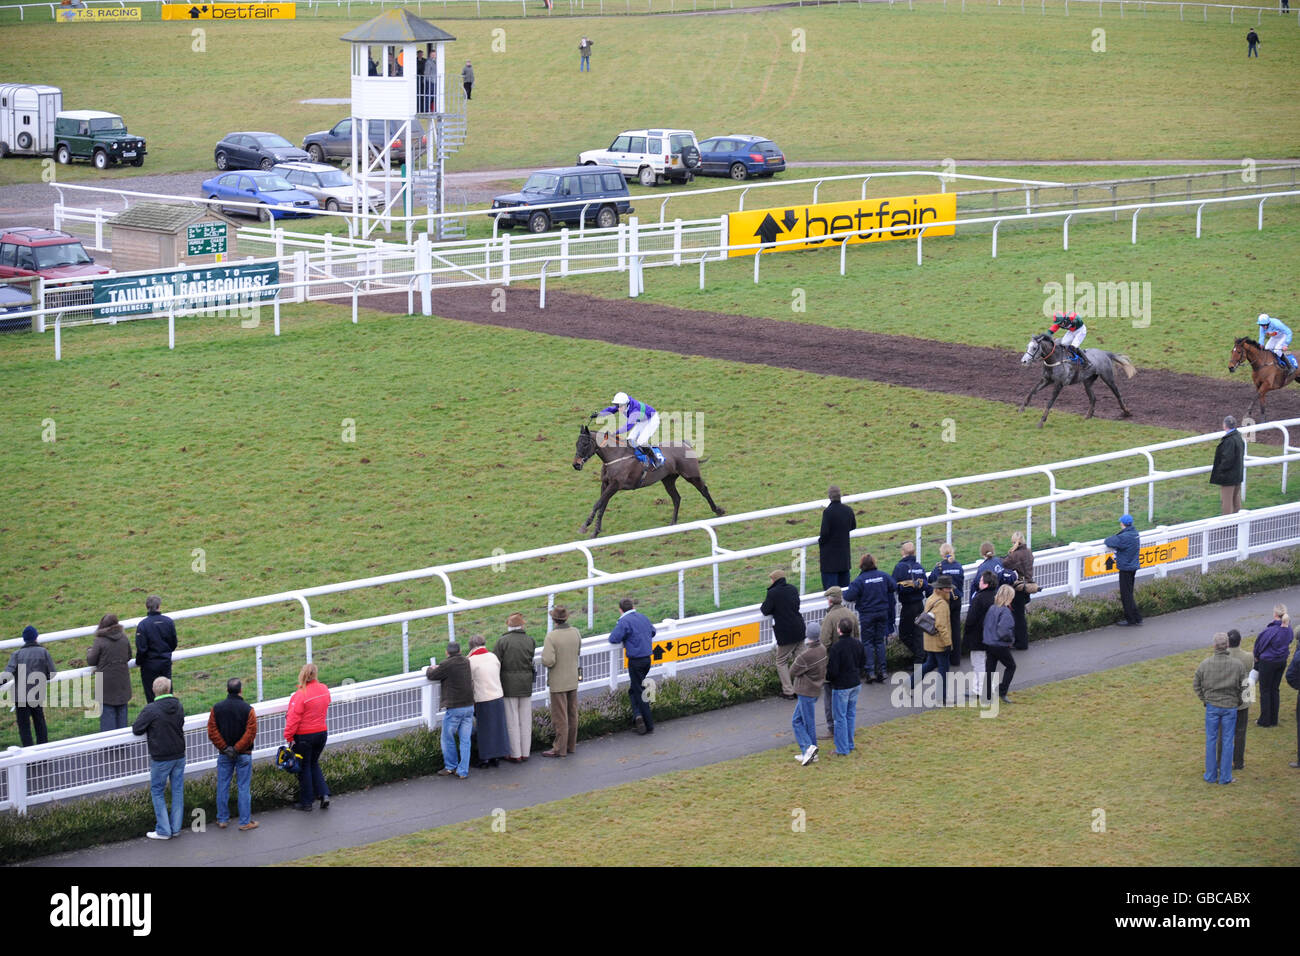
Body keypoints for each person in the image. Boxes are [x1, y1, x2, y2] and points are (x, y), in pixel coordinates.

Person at [132, 676, 185, 840]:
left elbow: (137, 729)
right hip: (179, 755)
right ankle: (175, 828)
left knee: (157, 791)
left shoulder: (151, 709)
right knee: (177, 791)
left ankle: (163, 830)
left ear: (154, 691)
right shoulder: (178, 705)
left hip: (161, 758)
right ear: (168, 689)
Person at [1194, 633, 1247, 784]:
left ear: (1214, 646)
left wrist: (1204, 699)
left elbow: (1196, 684)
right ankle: (1225, 777)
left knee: (1211, 740)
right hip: (1230, 707)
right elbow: (1246, 688)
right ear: (1228, 645)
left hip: (1212, 707)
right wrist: (1238, 701)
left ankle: (1210, 775)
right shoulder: (1238, 665)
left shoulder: (1205, 664)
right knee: (1228, 741)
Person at [207, 678, 258, 831]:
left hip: (224, 755)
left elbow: (212, 731)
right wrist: (236, 749)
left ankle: (222, 819)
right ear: (241, 690)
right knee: (243, 788)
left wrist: (225, 748)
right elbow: (250, 733)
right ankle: (244, 822)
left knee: (222, 786)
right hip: (243, 754)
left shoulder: (216, 709)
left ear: (227, 690)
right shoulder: (248, 710)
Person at [284, 662, 331, 810]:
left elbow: (292, 718)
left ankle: (307, 803)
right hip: (321, 733)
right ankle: (324, 795)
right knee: (313, 763)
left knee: (304, 767)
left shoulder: (300, 695)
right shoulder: (324, 689)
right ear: (315, 674)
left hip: (304, 736)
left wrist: (289, 737)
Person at [843, 553, 896, 684]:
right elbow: (893, 586)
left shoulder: (860, 580)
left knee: (867, 643)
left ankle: (870, 672)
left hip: (867, 615)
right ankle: (882, 671)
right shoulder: (883, 576)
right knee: (879, 642)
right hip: (882, 613)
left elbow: (848, 596)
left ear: (861, 565)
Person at [427, 641, 474, 778]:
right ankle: (463, 771)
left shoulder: (447, 664)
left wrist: (431, 668)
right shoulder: (466, 661)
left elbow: (432, 675)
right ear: (459, 651)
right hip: (469, 706)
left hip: (455, 708)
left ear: (447, 653)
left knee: (447, 738)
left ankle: (450, 766)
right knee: (466, 740)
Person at [608, 598, 655, 734]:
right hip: (647, 659)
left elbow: (614, 638)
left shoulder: (624, 621)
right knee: (634, 689)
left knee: (638, 690)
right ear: (633, 606)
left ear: (620, 610)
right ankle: (637, 715)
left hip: (635, 661)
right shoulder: (643, 617)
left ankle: (648, 723)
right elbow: (653, 631)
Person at [3, 625, 56, 746]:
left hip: (20, 695)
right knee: (40, 723)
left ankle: (28, 754)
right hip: (37, 693)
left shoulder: (16, 654)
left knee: (24, 726)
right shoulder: (43, 652)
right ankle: (42, 752)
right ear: (36, 637)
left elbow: (8, 674)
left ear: (24, 639)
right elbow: (52, 673)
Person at [541, 606, 581, 758]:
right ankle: (571, 745)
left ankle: (559, 748)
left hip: (558, 682)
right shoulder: (575, 632)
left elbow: (548, 660)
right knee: (572, 713)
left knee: (560, 717)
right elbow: (578, 651)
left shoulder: (552, 637)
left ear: (554, 619)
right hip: (572, 678)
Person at [496, 612, 536, 763]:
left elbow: (496, 662)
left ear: (509, 626)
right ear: (522, 625)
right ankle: (526, 752)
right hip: (526, 684)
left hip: (508, 685)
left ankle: (515, 754)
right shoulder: (530, 640)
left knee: (512, 720)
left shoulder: (502, 642)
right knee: (525, 720)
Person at [818, 587, 857, 738]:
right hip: (849, 666)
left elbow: (824, 642)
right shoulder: (851, 615)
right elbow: (857, 638)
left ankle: (832, 728)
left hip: (832, 666)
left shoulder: (830, 617)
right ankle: (847, 727)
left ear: (830, 600)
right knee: (847, 700)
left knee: (830, 698)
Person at [761, 569, 805, 700]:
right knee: (801, 660)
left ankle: (788, 691)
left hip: (786, 633)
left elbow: (765, 610)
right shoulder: (793, 589)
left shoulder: (773, 593)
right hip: (800, 628)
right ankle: (802, 688)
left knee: (781, 661)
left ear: (774, 580)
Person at [466, 634, 510, 764]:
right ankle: (497, 756)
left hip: (482, 697)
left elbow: (470, 681)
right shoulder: (493, 656)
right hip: (497, 694)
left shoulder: (471, 661)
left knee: (484, 729)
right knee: (498, 727)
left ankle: (485, 758)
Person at [825, 617, 865, 756]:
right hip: (855, 683)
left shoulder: (836, 648)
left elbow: (832, 671)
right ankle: (849, 744)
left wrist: (829, 679)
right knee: (850, 715)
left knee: (840, 718)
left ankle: (842, 748)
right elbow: (862, 662)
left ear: (839, 630)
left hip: (841, 687)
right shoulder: (858, 644)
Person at [87, 613, 132, 732]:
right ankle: (123, 744)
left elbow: (91, 660)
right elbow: (129, 656)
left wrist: (89, 651)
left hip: (105, 684)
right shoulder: (124, 637)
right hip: (122, 682)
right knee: (122, 712)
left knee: (107, 714)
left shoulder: (99, 641)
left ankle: (109, 747)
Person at [597, 391, 663, 472]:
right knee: (630, 440)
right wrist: (599, 414)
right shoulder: (623, 403)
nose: (618, 408)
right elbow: (611, 410)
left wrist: (615, 433)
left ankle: (656, 459)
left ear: (626, 404)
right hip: (642, 420)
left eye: (619, 406)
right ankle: (638, 459)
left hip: (652, 419)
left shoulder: (634, 410)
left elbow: (628, 426)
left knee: (641, 441)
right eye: (616, 405)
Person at [790, 627, 827, 766]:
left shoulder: (805, 656)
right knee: (800, 721)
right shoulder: (822, 649)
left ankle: (808, 748)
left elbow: (792, 671)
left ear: (808, 636)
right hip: (815, 690)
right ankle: (809, 752)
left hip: (806, 692)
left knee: (800, 722)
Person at [1253, 604, 1293, 728]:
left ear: (1275, 614)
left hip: (1268, 662)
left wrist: (1257, 657)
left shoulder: (1270, 631)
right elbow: (1290, 640)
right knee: (1274, 689)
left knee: (1265, 690)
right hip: (1281, 662)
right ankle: (1273, 719)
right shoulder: (1288, 630)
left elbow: (1258, 646)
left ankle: (1265, 720)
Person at [916, 576, 954, 704]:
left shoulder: (931, 599)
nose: (950, 591)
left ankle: (908, 684)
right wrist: (948, 643)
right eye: (948, 589)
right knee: (943, 669)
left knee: (929, 664)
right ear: (940, 589)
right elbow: (941, 626)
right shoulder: (942, 604)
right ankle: (941, 697)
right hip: (940, 642)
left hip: (929, 640)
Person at [892, 541, 931, 664]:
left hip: (908, 606)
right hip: (920, 604)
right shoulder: (919, 567)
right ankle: (921, 658)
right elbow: (926, 585)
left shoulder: (899, 567)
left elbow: (893, 586)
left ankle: (920, 657)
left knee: (904, 634)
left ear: (902, 552)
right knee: (919, 633)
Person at [1222, 630, 1255, 772]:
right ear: (1240, 641)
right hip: (1244, 695)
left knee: (1226, 732)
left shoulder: (1223, 657)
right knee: (1241, 732)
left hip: (1228, 696)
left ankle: (1225, 760)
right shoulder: (1248, 657)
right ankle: (1239, 762)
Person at [135, 595, 177, 704]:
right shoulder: (168, 622)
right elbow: (173, 643)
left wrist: (139, 662)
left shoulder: (143, 625)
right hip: (165, 663)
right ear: (159, 606)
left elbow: (141, 648)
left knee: (151, 696)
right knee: (167, 694)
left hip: (149, 666)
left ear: (147, 607)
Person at [1104, 514, 1143, 627]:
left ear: (1123, 524)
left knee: (1126, 595)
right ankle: (1137, 617)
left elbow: (1108, 541)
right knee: (1129, 593)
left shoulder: (1124, 537)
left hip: (1125, 568)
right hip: (1132, 566)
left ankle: (1131, 619)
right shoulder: (1135, 533)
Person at [929, 543, 964, 664]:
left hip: (944, 601)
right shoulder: (959, 566)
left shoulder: (939, 567)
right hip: (957, 600)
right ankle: (956, 659)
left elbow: (932, 580)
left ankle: (944, 658)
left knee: (943, 629)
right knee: (955, 629)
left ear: (941, 554)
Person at [983, 585, 1017, 704]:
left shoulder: (992, 608)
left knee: (990, 669)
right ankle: (1002, 691)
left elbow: (986, 625)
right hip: (999, 644)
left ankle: (987, 695)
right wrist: (1010, 640)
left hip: (989, 643)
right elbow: (1004, 631)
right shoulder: (1005, 611)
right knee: (1011, 666)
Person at [964, 570, 999, 687]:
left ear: (985, 583)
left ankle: (980, 688)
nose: (979, 582)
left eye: (980, 580)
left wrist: (967, 632)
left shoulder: (978, 598)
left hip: (978, 636)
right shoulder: (997, 596)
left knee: (978, 663)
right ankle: (987, 686)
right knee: (989, 663)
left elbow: (970, 619)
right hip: (992, 636)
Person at [818, 485, 856, 589]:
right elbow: (853, 526)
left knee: (831, 593)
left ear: (829, 497)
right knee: (844, 591)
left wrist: (820, 542)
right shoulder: (848, 510)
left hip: (829, 561)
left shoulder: (828, 512)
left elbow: (824, 534)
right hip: (844, 558)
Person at [1003, 531, 1035, 650]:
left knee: (1017, 617)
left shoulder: (1014, 555)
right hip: (1028, 586)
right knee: (1020, 616)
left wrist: (1008, 555)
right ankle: (1022, 641)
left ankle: (1020, 643)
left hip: (1018, 588)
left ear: (1014, 541)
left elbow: (1004, 564)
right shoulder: (1029, 552)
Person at [1210, 416, 1245, 515]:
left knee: (1227, 502)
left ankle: (1226, 527)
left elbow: (1227, 460)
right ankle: (1237, 524)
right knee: (1236, 501)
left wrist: (1220, 472)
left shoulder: (1229, 440)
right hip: (1237, 475)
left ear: (1225, 425)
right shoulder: (1238, 437)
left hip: (1228, 477)